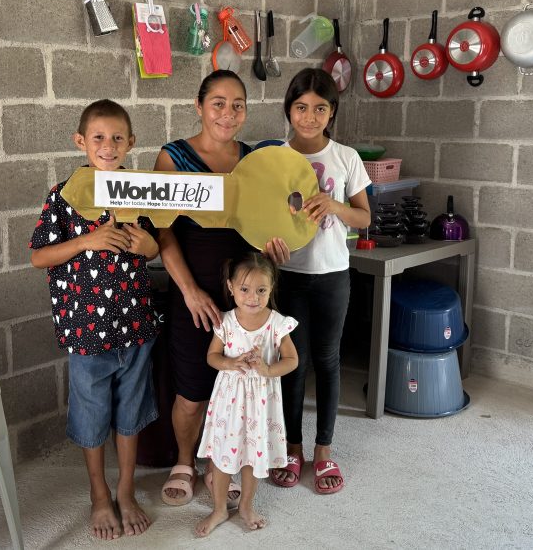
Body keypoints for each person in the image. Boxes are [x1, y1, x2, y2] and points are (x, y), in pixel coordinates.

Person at [154, 70, 289, 506]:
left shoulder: (254, 160)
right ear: (199, 106)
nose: (228, 114)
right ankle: (184, 461)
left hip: (245, 301)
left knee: (239, 388)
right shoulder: (173, 157)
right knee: (193, 391)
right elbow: (163, 232)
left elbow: (265, 223)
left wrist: (272, 249)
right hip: (194, 293)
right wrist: (190, 291)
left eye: (237, 105)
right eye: (218, 103)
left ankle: (223, 462)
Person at [29, 99, 160, 540]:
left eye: (117, 138)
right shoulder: (65, 195)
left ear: (131, 143)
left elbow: (156, 245)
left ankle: (126, 490)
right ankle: (99, 493)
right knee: (91, 414)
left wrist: (146, 247)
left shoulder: (139, 191)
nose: (108, 146)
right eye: (99, 137)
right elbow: (39, 256)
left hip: (135, 324)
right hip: (87, 332)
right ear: (81, 142)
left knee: (130, 411)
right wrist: (88, 240)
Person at [269, 68, 371, 495]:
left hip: (332, 276)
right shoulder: (274, 156)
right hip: (289, 276)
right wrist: (266, 246)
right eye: (301, 107)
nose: (309, 117)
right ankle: (292, 448)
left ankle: (324, 450)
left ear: (332, 112)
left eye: (320, 109)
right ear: (288, 110)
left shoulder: (346, 157)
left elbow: (363, 218)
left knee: (327, 360)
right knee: (293, 362)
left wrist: (335, 206)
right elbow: (260, 216)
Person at [195, 253, 298, 537]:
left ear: (271, 287)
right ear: (230, 287)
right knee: (222, 456)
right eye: (244, 289)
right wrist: (229, 363)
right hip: (229, 402)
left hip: (261, 404)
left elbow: (292, 360)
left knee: (253, 455)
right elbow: (212, 356)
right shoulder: (226, 322)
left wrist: (268, 369)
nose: (253, 297)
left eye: (261, 290)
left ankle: (246, 506)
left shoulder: (277, 324)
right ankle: (219, 508)